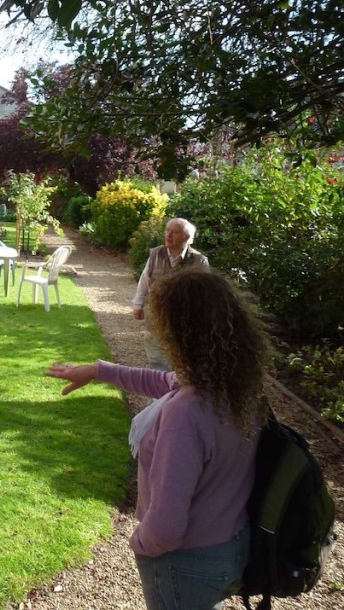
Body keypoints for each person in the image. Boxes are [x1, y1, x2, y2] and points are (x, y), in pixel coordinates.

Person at [46, 268, 271, 610]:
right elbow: (163, 381)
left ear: (179, 333)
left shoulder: (186, 412)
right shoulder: (236, 388)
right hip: (230, 547)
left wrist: (141, 544)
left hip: (185, 564)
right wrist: (97, 370)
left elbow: (166, 527)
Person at [133, 217, 209, 370]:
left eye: (174, 232)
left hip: (184, 318)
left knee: (181, 357)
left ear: (186, 238)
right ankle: (160, 390)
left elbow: (206, 294)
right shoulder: (155, 254)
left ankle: (178, 387)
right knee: (155, 357)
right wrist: (138, 304)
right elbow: (145, 280)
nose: (168, 235)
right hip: (156, 313)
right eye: (167, 231)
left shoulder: (199, 261)